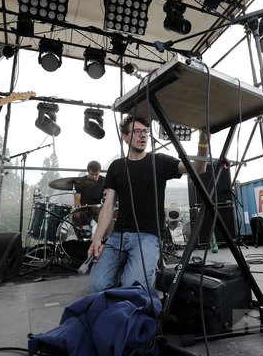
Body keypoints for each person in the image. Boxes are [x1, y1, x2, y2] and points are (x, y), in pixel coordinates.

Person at [87, 115, 209, 293]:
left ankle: (135, 277)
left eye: (145, 132)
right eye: (137, 131)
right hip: (118, 236)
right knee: (96, 286)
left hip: (148, 236)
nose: (143, 135)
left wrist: (202, 143)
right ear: (125, 136)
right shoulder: (116, 166)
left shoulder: (159, 161)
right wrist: (97, 238)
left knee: (132, 288)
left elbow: (199, 169)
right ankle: (127, 273)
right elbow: (107, 206)